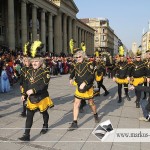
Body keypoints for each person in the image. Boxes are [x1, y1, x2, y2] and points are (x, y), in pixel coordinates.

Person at [19, 41, 54, 141]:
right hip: (32, 98)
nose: (34, 63)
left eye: (36, 61)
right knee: (29, 116)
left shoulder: (45, 72)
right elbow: (26, 84)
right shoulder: (28, 71)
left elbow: (44, 85)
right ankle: (26, 135)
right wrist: (23, 94)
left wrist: (33, 90)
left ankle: (45, 125)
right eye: (33, 61)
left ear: (41, 62)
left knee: (44, 113)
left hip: (42, 97)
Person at [69, 48, 99, 131]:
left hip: (88, 87)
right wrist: (70, 78)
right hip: (79, 87)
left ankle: (95, 114)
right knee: (76, 104)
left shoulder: (89, 64)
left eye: (79, 57)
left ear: (83, 56)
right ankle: (74, 122)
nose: (78, 58)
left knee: (91, 103)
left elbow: (92, 76)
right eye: (77, 57)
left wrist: (85, 83)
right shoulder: (76, 65)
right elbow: (73, 72)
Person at [19, 42, 31, 117]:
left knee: (30, 98)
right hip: (24, 85)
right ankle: (24, 111)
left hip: (30, 85)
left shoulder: (32, 69)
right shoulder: (23, 69)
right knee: (24, 98)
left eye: (28, 61)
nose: (27, 62)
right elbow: (22, 77)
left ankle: (30, 110)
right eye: (26, 61)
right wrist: (20, 84)